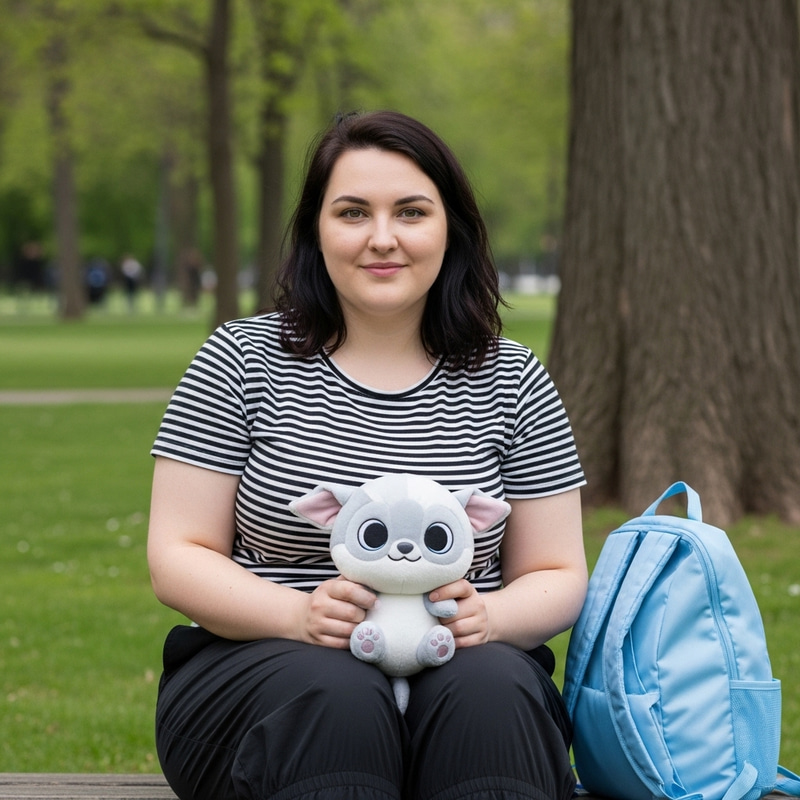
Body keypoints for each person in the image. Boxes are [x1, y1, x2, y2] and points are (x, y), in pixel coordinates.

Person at [148, 110, 588, 800]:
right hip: (266, 671)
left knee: (494, 695)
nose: (382, 238)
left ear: (453, 230)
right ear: (315, 231)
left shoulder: (513, 378)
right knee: (341, 696)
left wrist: (492, 620)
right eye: (353, 212)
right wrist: (297, 617)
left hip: (463, 672)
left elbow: (558, 570)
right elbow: (177, 554)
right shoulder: (240, 360)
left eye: (411, 212)